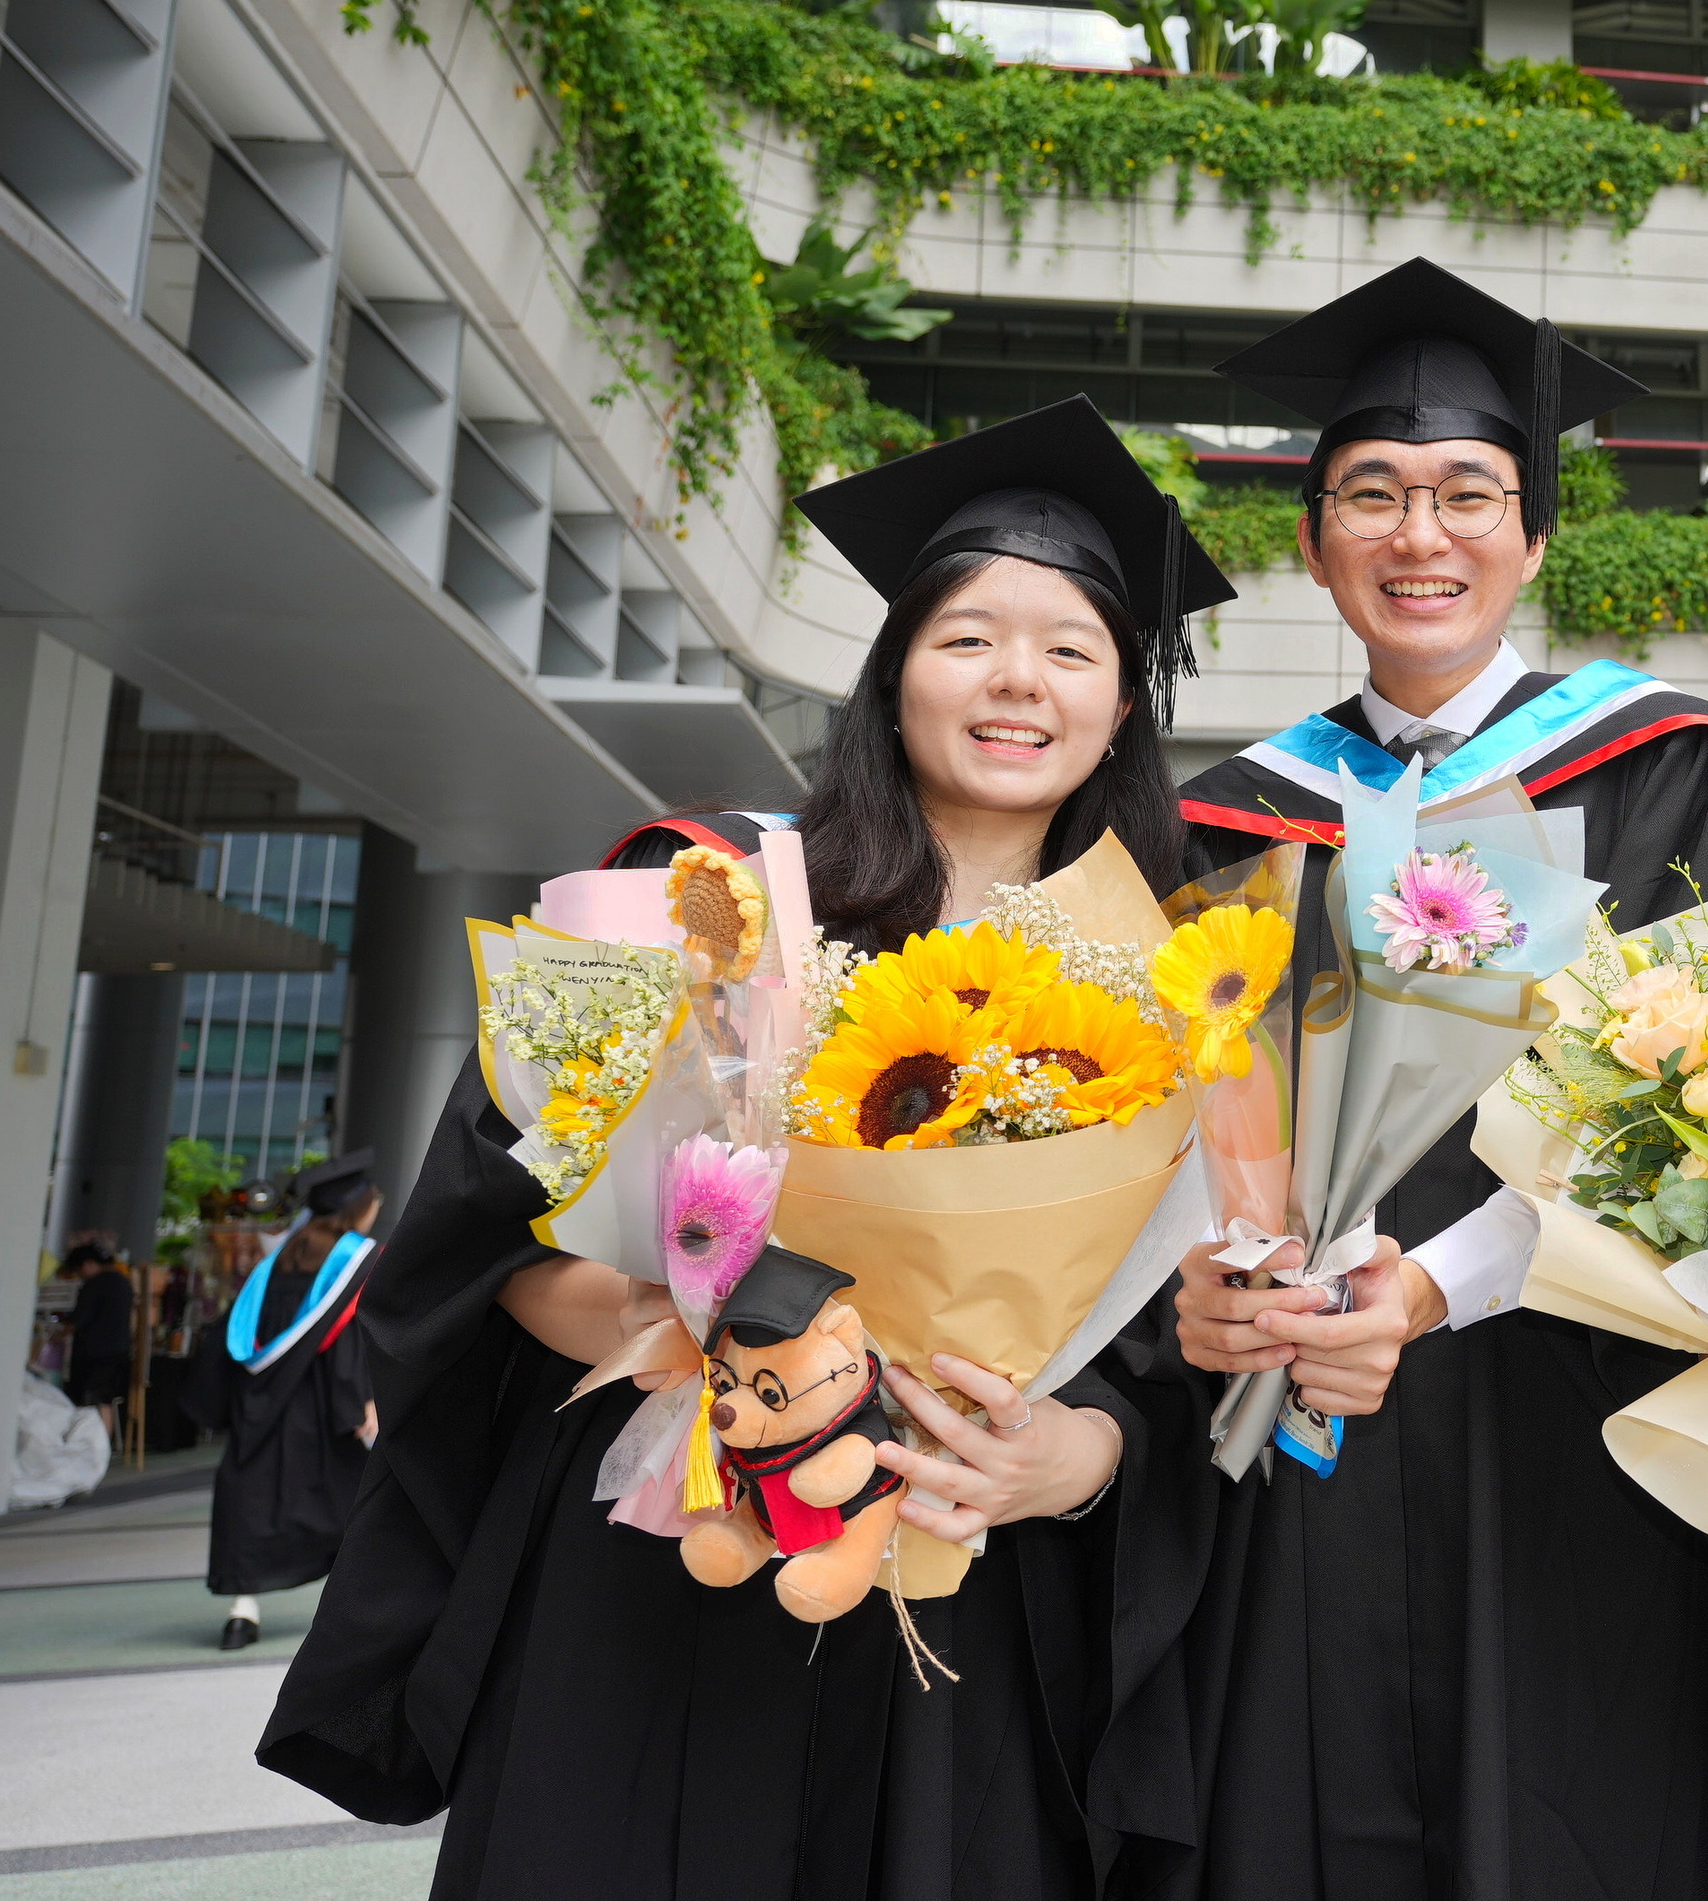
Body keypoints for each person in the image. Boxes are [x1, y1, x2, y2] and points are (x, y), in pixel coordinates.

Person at [261, 397, 1242, 1901]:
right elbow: (495, 1226)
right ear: (894, 669)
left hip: (968, 1598)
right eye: (969, 633)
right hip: (666, 1565)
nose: (1016, 681)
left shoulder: (1180, 992)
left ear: (1123, 704)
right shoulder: (698, 891)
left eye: (1072, 648)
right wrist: (676, 1330)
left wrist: (1080, 1453)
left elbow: (1188, 1351)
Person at [1153, 258, 1708, 1901]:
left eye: (1465, 493)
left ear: (1534, 536)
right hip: (1293, 1442)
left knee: (1570, 1824)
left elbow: (1696, 1115)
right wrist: (1206, 1286)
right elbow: (1165, 1127)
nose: (1417, 534)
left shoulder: (1666, 770)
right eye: (1370, 493)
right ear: (1310, 540)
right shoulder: (1224, 820)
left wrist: (1432, 1283)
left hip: (1557, 1420)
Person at [191, 1156, 380, 1650]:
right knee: (345, 1501)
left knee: (253, 1499)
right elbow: (349, 1343)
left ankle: (242, 1613)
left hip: (261, 1406)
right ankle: (354, 1613)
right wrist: (357, 1402)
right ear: (357, 1209)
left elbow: (229, 1338)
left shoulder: (274, 1262)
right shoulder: (358, 1260)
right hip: (318, 1407)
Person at [59, 1235, 136, 1422]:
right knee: (105, 1402)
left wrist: (59, 1334)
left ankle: (89, 1444)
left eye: (79, 1270)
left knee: (89, 1401)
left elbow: (79, 1318)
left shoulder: (94, 1285)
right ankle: (102, 1446)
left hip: (93, 1353)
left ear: (88, 1264)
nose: (80, 1275)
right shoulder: (123, 1282)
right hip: (119, 1350)